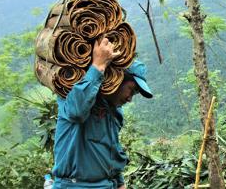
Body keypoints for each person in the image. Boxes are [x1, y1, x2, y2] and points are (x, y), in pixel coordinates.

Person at [52, 38, 153, 189]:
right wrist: (98, 66)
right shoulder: (75, 94)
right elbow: (77, 112)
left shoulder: (115, 112)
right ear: (118, 78)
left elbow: (109, 150)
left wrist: (119, 183)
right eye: (131, 90)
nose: (130, 98)